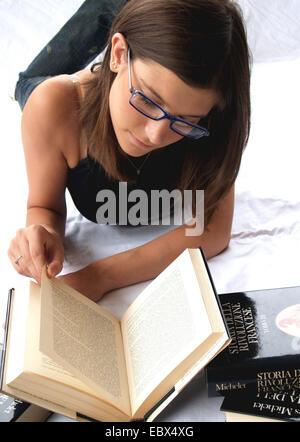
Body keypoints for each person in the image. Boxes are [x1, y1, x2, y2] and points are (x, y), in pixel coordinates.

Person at [8, 0, 251, 301]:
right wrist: (41, 232)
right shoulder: (54, 107)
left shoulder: (216, 118)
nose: (155, 134)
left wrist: (100, 275)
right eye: (148, 100)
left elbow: (212, 230)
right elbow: (44, 208)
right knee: (28, 87)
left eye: (185, 122)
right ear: (119, 55)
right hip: (58, 93)